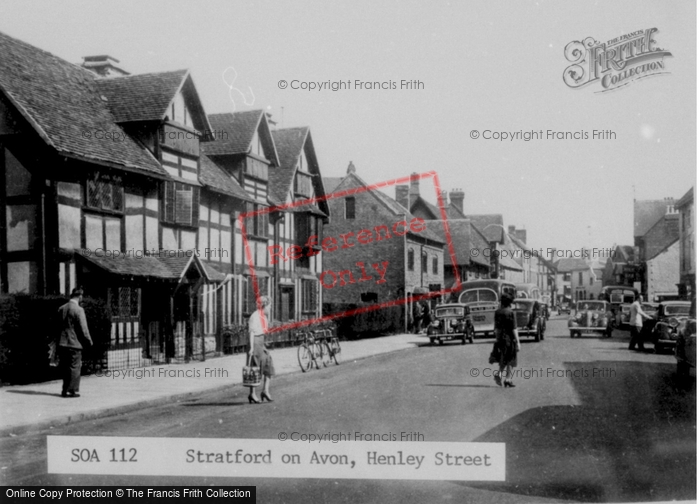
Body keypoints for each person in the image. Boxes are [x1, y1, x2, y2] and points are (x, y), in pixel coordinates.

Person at [56, 288, 92, 398]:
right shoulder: (79, 310)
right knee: (75, 366)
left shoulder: (61, 308)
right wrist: (89, 340)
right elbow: (83, 328)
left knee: (65, 366)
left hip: (62, 342)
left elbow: (57, 326)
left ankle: (64, 389)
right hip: (74, 343)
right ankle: (71, 390)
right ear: (80, 296)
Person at [247, 296, 275, 403]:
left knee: (268, 364)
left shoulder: (264, 317)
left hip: (261, 342)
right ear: (264, 306)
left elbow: (263, 332)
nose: (270, 308)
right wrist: (252, 348)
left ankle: (265, 390)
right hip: (255, 342)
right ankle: (252, 394)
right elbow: (252, 332)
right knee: (255, 368)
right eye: (269, 306)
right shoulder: (255, 316)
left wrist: (264, 345)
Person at [493, 294, 520, 388]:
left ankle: (501, 375)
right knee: (511, 359)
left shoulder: (497, 312)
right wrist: (518, 341)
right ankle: (507, 378)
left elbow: (496, 329)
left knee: (504, 358)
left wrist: (498, 339)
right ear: (510, 303)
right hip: (510, 339)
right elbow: (514, 329)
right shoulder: (511, 313)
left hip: (501, 338)